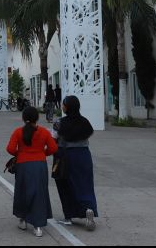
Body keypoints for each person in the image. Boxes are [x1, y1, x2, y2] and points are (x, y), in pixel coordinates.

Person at [7, 107, 58, 238]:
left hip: (23, 165)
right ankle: (38, 226)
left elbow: (10, 149)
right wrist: (42, 153)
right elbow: (53, 148)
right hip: (40, 165)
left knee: (22, 191)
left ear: (23, 118)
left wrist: (21, 153)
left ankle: (23, 220)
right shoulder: (44, 132)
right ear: (38, 118)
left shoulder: (18, 132)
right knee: (39, 193)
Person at [53, 95, 98, 231]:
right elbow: (89, 134)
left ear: (66, 107)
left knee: (65, 185)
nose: (62, 106)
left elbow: (53, 139)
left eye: (63, 104)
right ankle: (88, 209)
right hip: (83, 156)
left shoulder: (59, 122)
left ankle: (69, 216)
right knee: (85, 185)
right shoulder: (85, 122)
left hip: (65, 156)